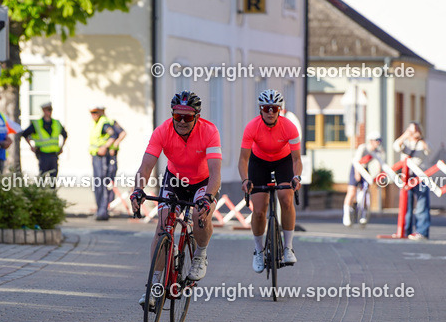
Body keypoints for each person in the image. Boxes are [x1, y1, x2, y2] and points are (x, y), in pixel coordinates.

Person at [131, 91, 221, 309]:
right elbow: (145, 166)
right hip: (175, 181)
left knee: (201, 215)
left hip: (202, 182)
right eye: (177, 116)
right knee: (162, 226)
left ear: (197, 117)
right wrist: (137, 190)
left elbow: (216, 172)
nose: (181, 121)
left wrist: (208, 198)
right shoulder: (163, 130)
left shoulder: (209, 131)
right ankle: (154, 288)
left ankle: (199, 254)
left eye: (187, 117)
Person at [239, 89, 302, 272]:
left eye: (275, 108)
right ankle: (259, 251)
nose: (271, 112)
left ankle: (288, 247)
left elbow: (297, 159)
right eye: (267, 108)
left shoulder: (289, 126)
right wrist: (245, 180)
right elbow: (243, 159)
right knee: (259, 210)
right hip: (259, 162)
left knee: (286, 198)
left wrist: (296, 177)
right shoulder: (252, 127)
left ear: (280, 109)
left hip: (283, 161)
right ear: (261, 109)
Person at [394, 122, 432, 240]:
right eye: (410, 130)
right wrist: (405, 136)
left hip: (420, 175)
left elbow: (429, 150)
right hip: (406, 175)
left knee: (422, 203)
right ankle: (405, 230)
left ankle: (422, 232)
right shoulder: (405, 143)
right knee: (406, 204)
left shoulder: (422, 143)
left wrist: (420, 139)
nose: (412, 133)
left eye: (414, 130)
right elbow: (395, 146)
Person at [89, 105, 126, 220]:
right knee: (100, 183)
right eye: (92, 113)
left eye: (97, 112)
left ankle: (103, 210)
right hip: (97, 156)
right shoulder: (100, 123)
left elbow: (117, 134)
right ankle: (102, 209)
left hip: (104, 158)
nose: (94, 115)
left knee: (104, 182)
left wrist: (108, 146)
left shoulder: (106, 122)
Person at [19, 101, 65, 185]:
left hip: (54, 155)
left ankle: (52, 196)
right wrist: (31, 146)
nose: (50, 112)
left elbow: (65, 135)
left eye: (51, 110)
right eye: (48, 110)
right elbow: (25, 134)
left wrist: (62, 147)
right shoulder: (37, 123)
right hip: (42, 154)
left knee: (53, 179)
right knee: (42, 179)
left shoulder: (56, 123)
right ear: (43, 110)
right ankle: (42, 195)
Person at [343, 133, 383, 226]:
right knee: (352, 191)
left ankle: (363, 213)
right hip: (356, 168)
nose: (378, 142)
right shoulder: (363, 148)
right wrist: (357, 174)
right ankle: (346, 214)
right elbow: (357, 161)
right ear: (371, 141)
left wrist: (378, 176)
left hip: (365, 169)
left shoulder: (377, 151)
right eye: (376, 140)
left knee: (365, 190)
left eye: (379, 140)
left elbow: (379, 164)